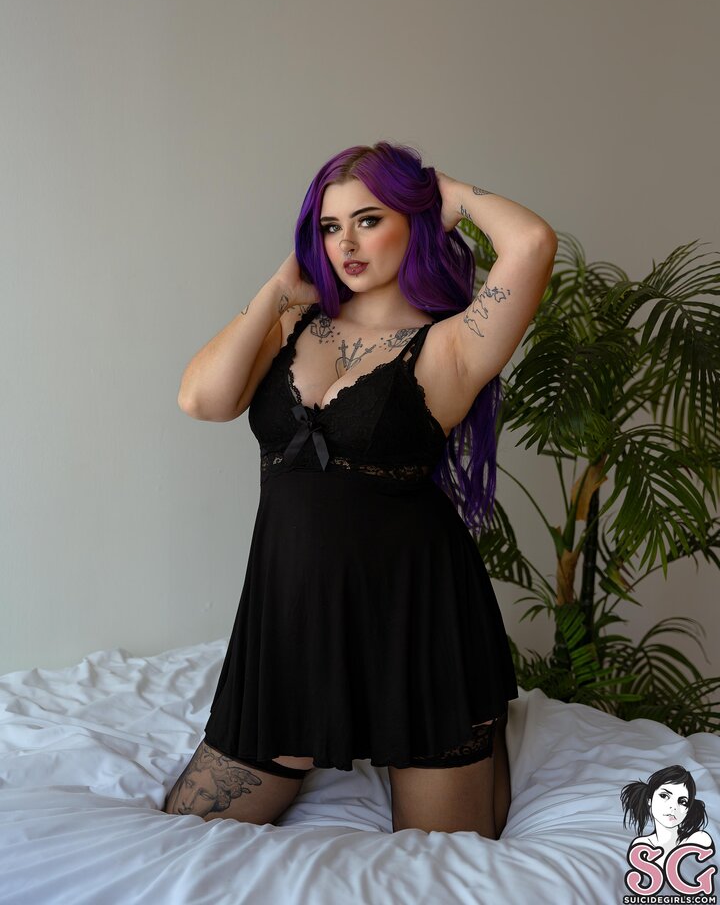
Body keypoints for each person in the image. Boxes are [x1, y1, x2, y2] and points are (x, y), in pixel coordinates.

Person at [163, 141, 558, 836]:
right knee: (181, 825)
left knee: (442, 859)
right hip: (291, 627)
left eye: (369, 220)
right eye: (329, 226)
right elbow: (202, 399)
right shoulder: (293, 323)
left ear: (414, 221)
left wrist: (445, 192)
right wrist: (277, 289)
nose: (345, 243)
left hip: (420, 623)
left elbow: (529, 243)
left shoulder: (452, 345)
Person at [621, 765, 713, 867]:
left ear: (688, 809)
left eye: (682, 802)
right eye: (664, 796)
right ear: (649, 800)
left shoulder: (699, 839)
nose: (673, 807)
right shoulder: (641, 846)